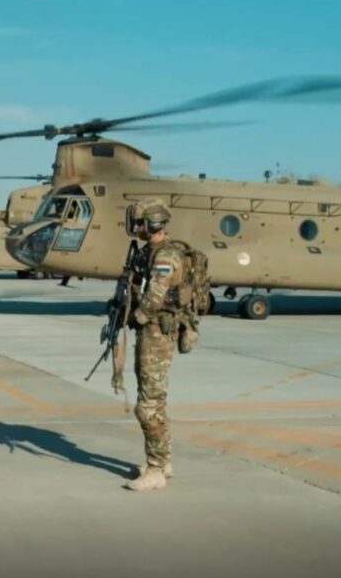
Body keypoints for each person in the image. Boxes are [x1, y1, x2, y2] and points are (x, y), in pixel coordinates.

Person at [124, 198, 187, 492]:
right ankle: (165, 462)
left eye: (140, 222)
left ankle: (155, 469)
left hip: (157, 337)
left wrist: (136, 316)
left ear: (152, 224)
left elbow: (155, 298)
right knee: (156, 402)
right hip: (153, 335)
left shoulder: (165, 257)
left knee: (147, 407)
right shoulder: (152, 253)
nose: (136, 227)